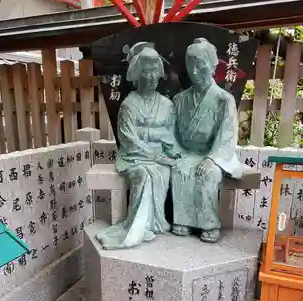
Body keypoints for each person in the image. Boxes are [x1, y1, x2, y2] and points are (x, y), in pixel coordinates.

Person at [96, 42, 180, 250]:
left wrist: (171, 152)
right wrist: (152, 151)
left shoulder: (167, 105)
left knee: (162, 173)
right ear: (137, 74)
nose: (151, 77)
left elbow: (171, 136)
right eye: (146, 71)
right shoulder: (129, 104)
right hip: (133, 158)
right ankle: (137, 227)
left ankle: (155, 222)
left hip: (161, 158)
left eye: (154, 71)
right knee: (143, 175)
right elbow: (128, 138)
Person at [171, 37, 243, 243]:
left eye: (199, 64)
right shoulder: (180, 99)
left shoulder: (223, 100)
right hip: (186, 152)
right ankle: (182, 221)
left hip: (212, 154)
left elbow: (227, 136)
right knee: (179, 169)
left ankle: (209, 223)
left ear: (212, 65)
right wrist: (178, 153)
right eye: (190, 65)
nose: (194, 72)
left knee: (209, 173)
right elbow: (172, 133)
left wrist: (212, 158)